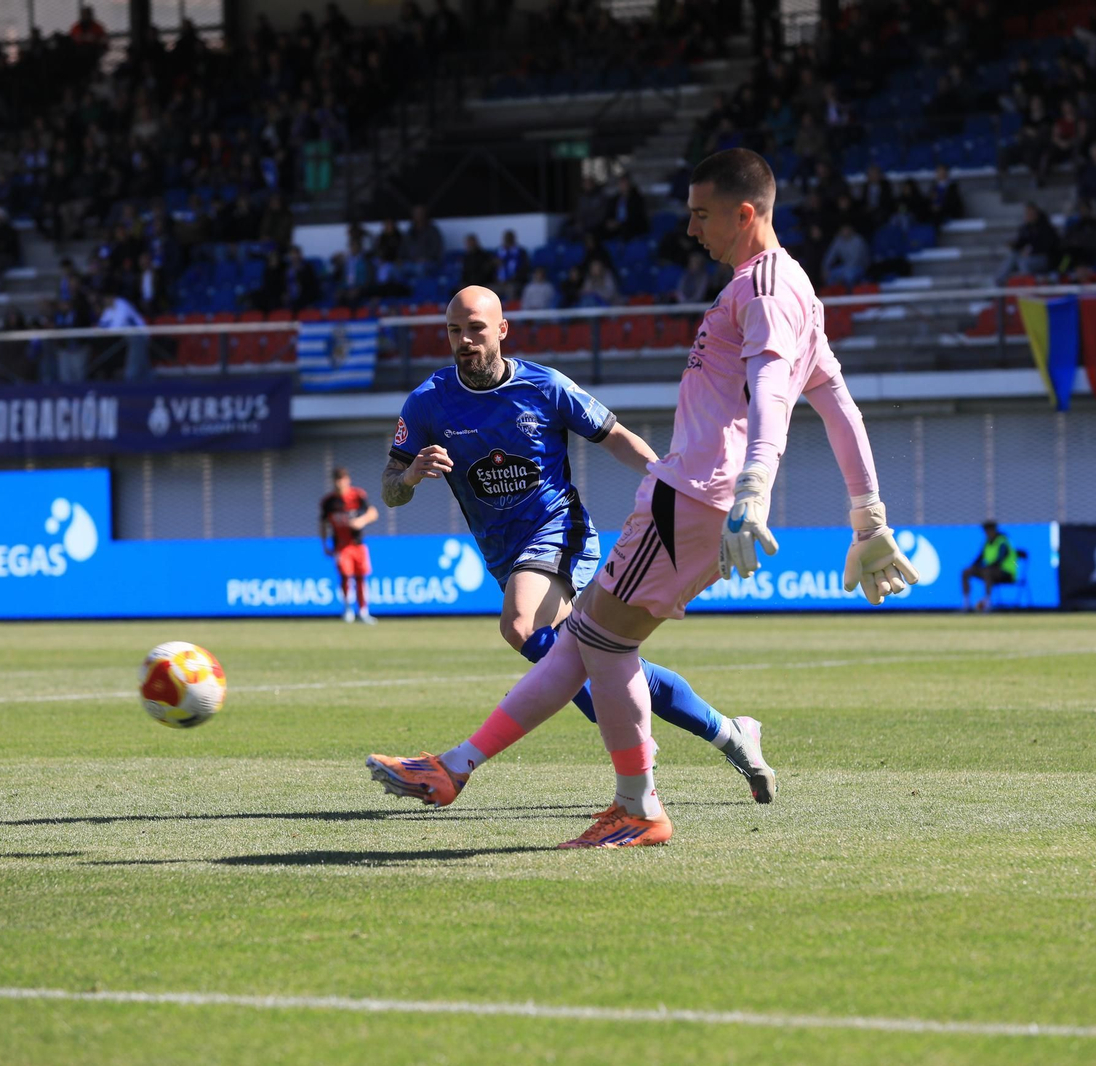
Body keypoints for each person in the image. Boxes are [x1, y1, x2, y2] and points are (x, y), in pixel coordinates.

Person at [367, 150, 917, 848]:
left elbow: (779, 393)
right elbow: (838, 403)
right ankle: (458, 767)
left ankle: (636, 805)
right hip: (701, 498)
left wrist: (755, 487)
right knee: (588, 643)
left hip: (690, 496)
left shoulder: (765, 290)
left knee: (594, 644)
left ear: (744, 213)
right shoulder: (791, 286)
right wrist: (867, 514)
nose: (690, 229)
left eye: (700, 214)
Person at [368, 284, 777, 808]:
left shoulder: (545, 386)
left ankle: (631, 750)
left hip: (560, 534)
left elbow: (616, 437)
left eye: (475, 328)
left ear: (501, 330)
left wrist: (672, 491)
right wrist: (410, 478)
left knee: (521, 624)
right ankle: (731, 733)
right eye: (454, 330)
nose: (465, 340)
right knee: (599, 654)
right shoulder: (428, 401)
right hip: (504, 553)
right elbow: (390, 488)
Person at [320, 467, 379, 624]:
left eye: (343, 479)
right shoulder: (328, 502)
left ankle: (363, 611)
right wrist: (324, 543)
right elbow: (323, 523)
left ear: (348, 480)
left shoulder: (358, 495)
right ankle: (347, 609)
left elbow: (373, 513)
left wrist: (361, 521)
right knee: (345, 576)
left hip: (358, 544)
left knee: (361, 577)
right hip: (341, 545)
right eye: (337, 480)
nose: (340, 483)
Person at [961, 520, 1018, 611]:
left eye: (989, 530)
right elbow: (979, 558)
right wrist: (973, 567)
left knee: (987, 572)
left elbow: (1000, 559)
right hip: (991, 571)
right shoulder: (987, 543)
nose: (987, 533)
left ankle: (987, 603)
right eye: (986, 531)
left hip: (1007, 573)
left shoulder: (1002, 541)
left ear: (994, 530)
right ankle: (966, 604)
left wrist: (985, 567)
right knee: (966, 571)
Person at [97, 284, 149, 380]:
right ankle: (149, 382)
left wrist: (104, 330)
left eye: (106, 298)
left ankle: (130, 384)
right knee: (143, 364)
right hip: (127, 337)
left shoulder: (122, 304)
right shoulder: (109, 309)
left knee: (134, 365)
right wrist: (101, 329)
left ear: (111, 297)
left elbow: (117, 326)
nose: (104, 301)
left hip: (138, 335)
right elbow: (102, 324)